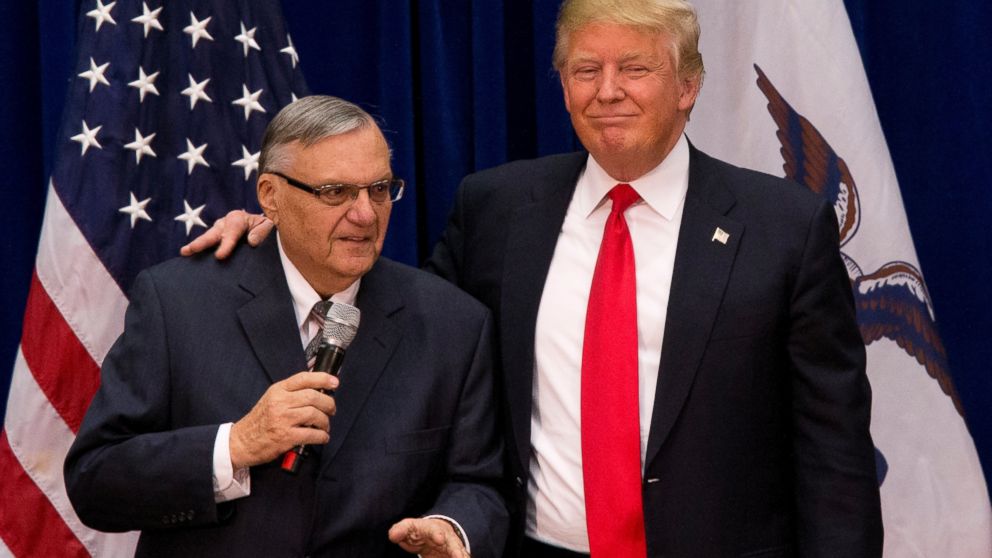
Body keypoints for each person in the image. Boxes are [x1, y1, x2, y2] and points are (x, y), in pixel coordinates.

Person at [184, 1, 883, 556]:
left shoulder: (784, 228)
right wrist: (278, 234)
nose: (607, 91)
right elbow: (400, 333)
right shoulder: (496, 208)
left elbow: (835, 457)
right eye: (585, 69)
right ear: (563, 85)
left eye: (634, 68)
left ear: (688, 85)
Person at [64, 95, 507, 558]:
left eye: (379, 189)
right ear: (270, 196)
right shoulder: (176, 303)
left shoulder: (452, 324)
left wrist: (453, 526)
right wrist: (235, 445)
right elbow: (95, 479)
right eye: (335, 192)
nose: (366, 214)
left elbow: (480, 483)